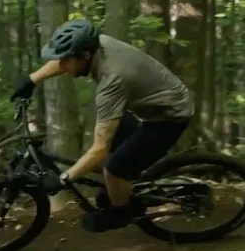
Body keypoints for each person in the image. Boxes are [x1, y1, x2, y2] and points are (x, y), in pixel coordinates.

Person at [11, 19, 194, 233]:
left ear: (86, 56)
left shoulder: (111, 81)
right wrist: (32, 80)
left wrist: (63, 178)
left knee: (114, 169)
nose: (62, 65)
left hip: (168, 116)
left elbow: (99, 149)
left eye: (65, 60)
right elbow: (67, 57)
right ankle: (124, 191)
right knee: (116, 161)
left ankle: (121, 213)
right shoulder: (97, 43)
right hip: (152, 101)